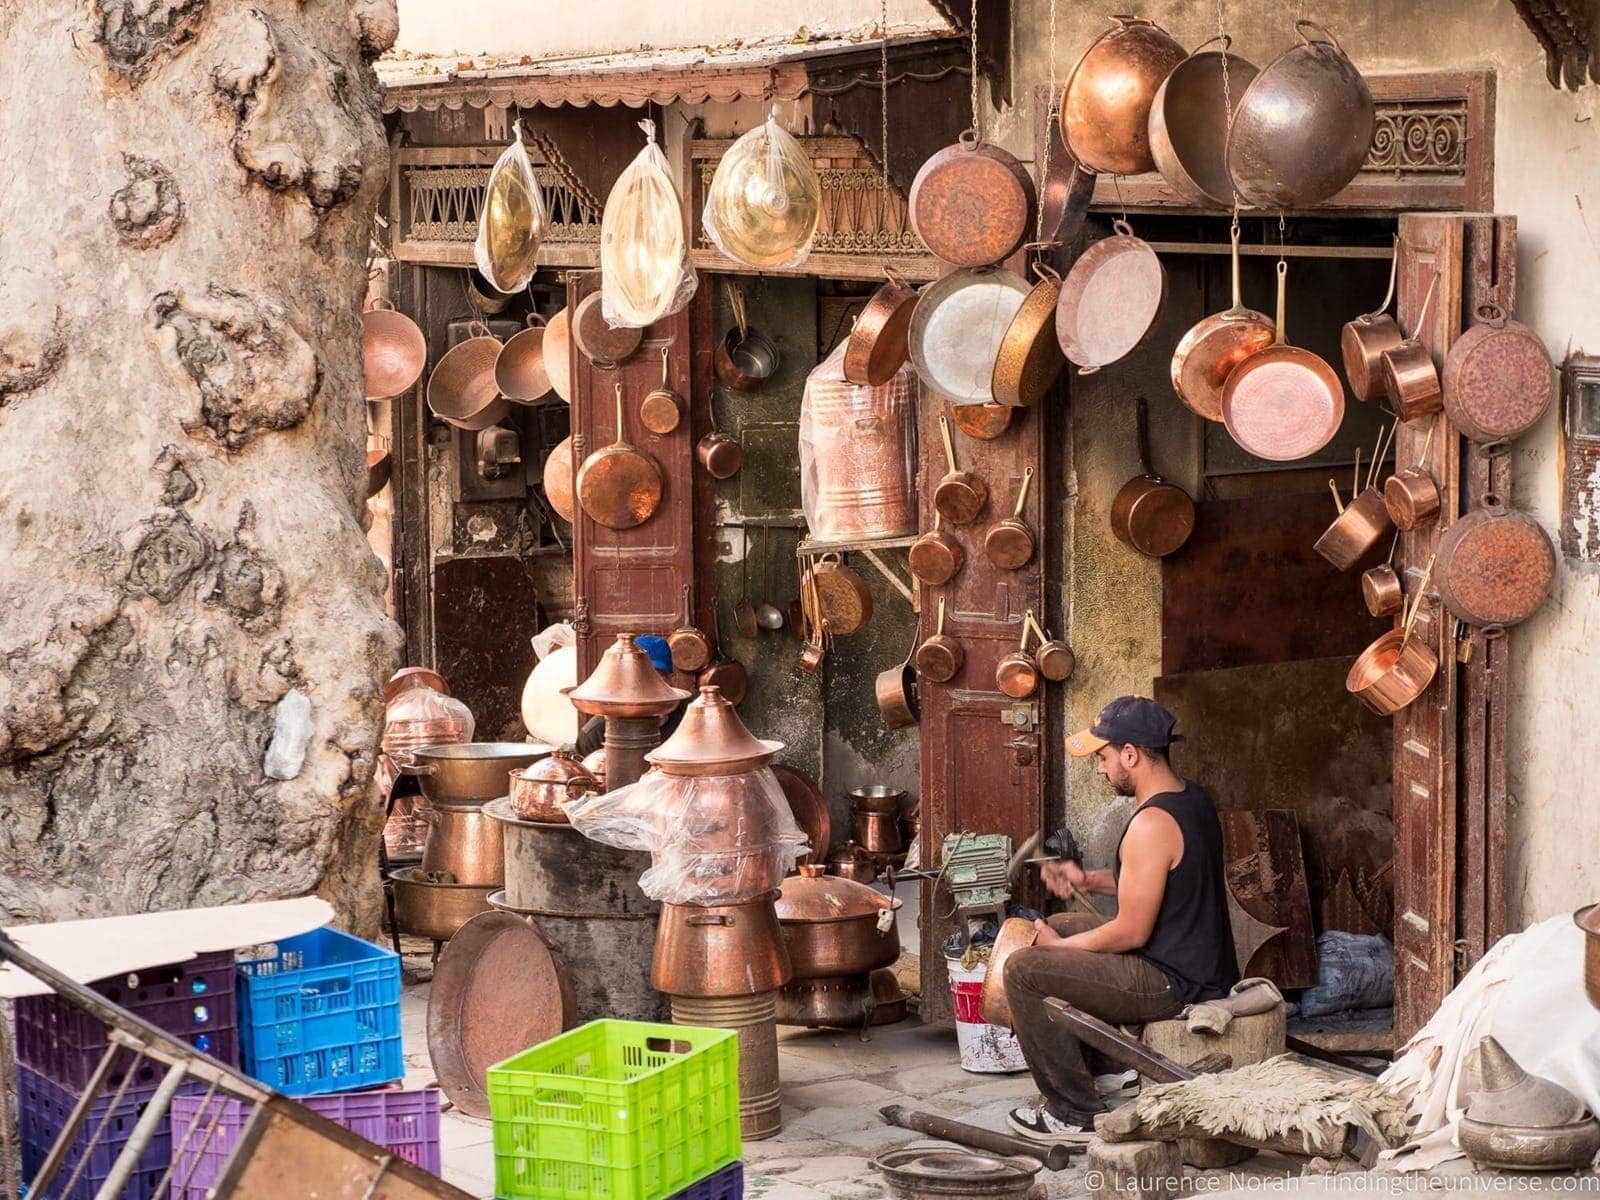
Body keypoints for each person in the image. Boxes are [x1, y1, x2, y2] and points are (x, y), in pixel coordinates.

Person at [1004, 696, 1238, 1142]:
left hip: (1175, 982)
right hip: (1199, 963)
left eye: (1103, 756)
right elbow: (1158, 878)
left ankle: (1071, 1112)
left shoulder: (1151, 824)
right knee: (1069, 926)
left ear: (1130, 754)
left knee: (1025, 970)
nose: (1100, 768)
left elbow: (1131, 930)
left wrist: (1055, 948)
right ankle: (1109, 1069)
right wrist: (1087, 880)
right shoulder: (1191, 798)